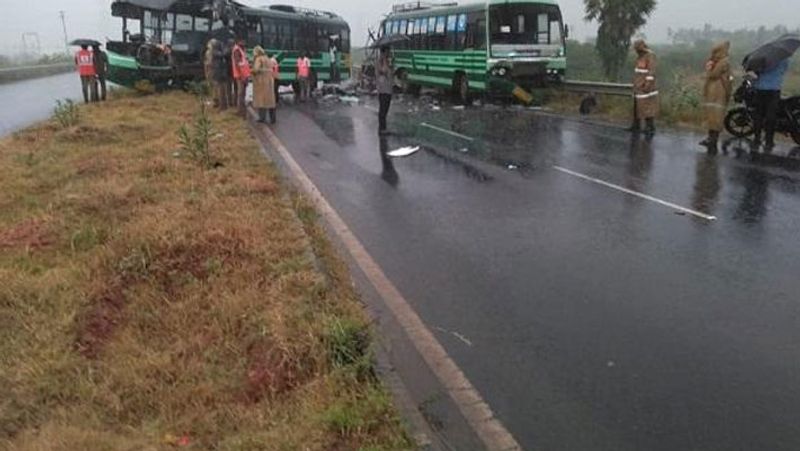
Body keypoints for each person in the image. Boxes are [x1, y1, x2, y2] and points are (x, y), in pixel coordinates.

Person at [700, 41, 733, 150]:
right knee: (711, 115)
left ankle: (713, 139)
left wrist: (709, 69)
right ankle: (710, 138)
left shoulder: (724, 62)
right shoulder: (717, 61)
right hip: (712, 91)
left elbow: (714, 74)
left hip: (718, 91)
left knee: (716, 115)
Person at [752, 57, 790, 151]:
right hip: (774, 89)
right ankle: (769, 141)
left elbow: (756, 73)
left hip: (760, 88)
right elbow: (783, 71)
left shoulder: (762, 59)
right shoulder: (783, 59)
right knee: (771, 116)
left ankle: (757, 138)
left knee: (758, 115)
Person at [631, 39, 659, 136]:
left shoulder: (650, 55)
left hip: (646, 86)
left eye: (637, 48)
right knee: (637, 107)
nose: (636, 51)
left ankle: (650, 127)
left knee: (647, 107)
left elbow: (651, 71)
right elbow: (638, 71)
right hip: (638, 85)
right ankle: (636, 125)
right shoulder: (640, 56)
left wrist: (647, 84)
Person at [252, 46, 277, 124]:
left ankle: (262, 118)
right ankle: (273, 118)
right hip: (269, 80)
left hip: (261, 81)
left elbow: (256, 69)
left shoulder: (259, 59)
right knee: (270, 100)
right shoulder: (267, 58)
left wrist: (251, 71)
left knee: (261, 100)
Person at [231, 37, 252, 118]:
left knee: (243, 94)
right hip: (241, 76)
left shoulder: (241, 50)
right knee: (241, 93)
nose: (244, 43)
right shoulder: (237, 50)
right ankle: (241, 112)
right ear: (239, 41)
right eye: (243, 41)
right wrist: (243, 76)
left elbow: (243, 63)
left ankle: (242, 111)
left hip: (244, 75)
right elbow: (238, 64)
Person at [376, 46, 394, 135]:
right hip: (383, 89)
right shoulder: (380, 61)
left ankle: (383, 127)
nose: (389, 53)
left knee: (386, 109)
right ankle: (382, 129)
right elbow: (383, 71)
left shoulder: (387, 61)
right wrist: (386, 64)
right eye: (388, 51)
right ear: (383, 52)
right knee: (383, 109)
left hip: (388, 89)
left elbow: (390, 73)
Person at [211, 40, 230, 110]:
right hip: (218, 72)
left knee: (222, 90)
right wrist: (226, 49)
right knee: (220, 90)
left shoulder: (216, 51)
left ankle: (224, 105)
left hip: (220, 72)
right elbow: (223, 54)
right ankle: (222, 105)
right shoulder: (215, 52)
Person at [204, 39, 218, 105]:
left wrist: (206, 64)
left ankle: (213, 99)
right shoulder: (216, 51)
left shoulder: (209, 52)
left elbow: (209, 62)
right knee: (214, 85)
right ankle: (215, 99)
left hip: (211, 70)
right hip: (213, 70)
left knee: (211, 85)